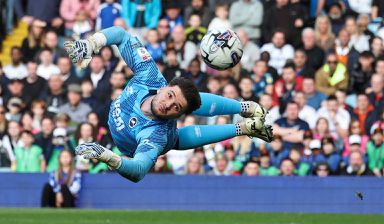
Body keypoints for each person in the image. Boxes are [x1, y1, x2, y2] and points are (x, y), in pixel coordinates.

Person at [64, 26, 273, 182]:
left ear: (177, 115)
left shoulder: (156, 136)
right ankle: (246, 110)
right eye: (170, 95)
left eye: (176, 108)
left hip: (135, 143)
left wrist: (108, 157)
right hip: (120, 121)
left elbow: (137, 170)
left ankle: (243, 126)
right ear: (164, 86)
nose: (168, 104)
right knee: (190, 102)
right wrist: (92, 43)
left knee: (176, 138)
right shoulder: (151, 75)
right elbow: (121, 34)